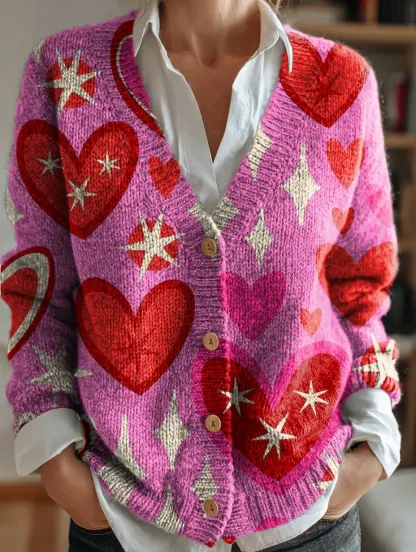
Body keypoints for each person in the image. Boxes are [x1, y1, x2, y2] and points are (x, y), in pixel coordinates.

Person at [1, 0, 402, 551]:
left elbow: (361, 288)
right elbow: (38, 284)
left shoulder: (342, 83)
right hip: (123, 519)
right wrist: (53, 455)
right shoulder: (66, 73)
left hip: (310, 518)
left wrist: (375, 441)